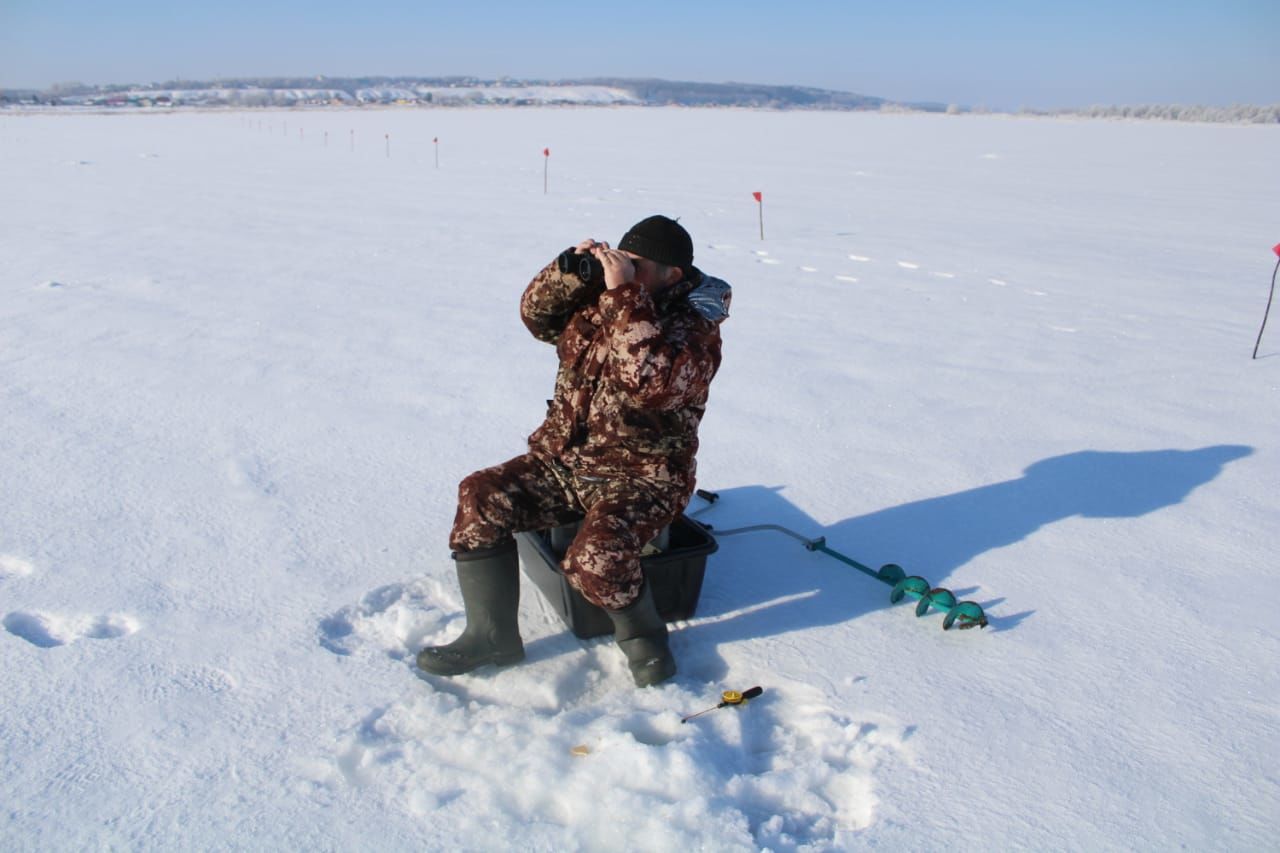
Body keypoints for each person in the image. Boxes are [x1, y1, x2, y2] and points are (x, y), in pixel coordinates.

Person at [417, 215, 731, 687]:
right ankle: (491, 636)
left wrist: (625, 295)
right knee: (480, 497)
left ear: (674, 275)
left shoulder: (695, 329)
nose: (621, 269)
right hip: (565, 460)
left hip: (643, 478)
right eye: (621, 259)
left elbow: (652, 385)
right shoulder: (602, 299)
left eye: (638, 265)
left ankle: (645, 641)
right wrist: (570, 270)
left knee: (595, 561)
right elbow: (536, 317)